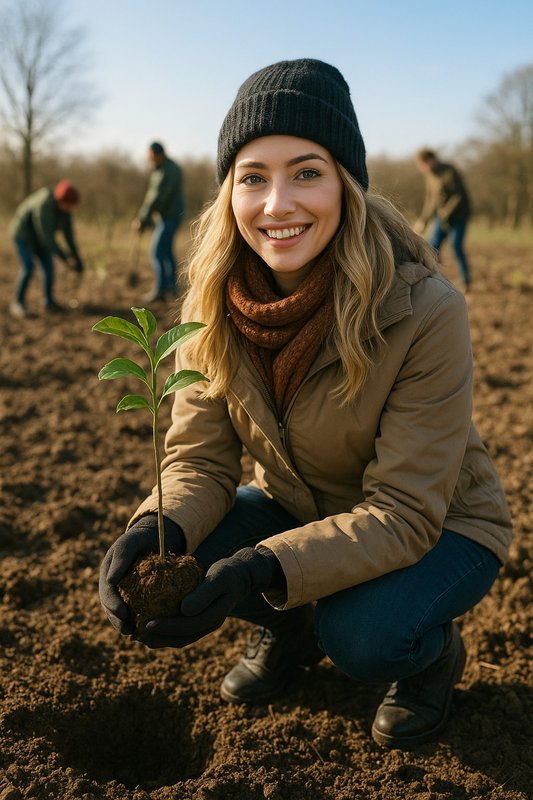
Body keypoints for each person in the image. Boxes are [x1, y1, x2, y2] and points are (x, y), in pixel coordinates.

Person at [99, 59, 512, 749]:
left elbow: (404, 510)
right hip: (303, 509)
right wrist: (153, 532)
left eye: (307, 172)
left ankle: (432, 658)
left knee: (361, 636)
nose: (277, 204)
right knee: (195, 545)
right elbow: (199, 462)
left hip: (440, 524)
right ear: (229, 192)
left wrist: (263, 567)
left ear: (345, 184)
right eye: (253, 177)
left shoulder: (423, 310)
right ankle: (287, 629)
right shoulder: (211, 308)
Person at [9, 180, 84, 318]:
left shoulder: (66, 212)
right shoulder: (44, 204)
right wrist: (65, 258)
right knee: (29, 267)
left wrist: (78, 259)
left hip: (40, 240)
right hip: (23, 236)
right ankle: (18, 303)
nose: (71, 209)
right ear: (61, 201)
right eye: (69, 205)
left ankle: (49, 303)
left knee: (49, 268)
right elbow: (47, 238)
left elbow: (69, 238)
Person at [132, 141, 185, 303]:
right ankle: (172, 288)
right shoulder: (161, 169)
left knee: (157, 251)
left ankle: (162, 288)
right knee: (167, 251)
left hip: (171, 216)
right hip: (166, 216)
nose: (149, 159)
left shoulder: (169, 170)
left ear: (158, 154)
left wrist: (142, 219)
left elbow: (157, 197)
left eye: (151, 156)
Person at [414, 148, 472, 291]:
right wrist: (423, 220)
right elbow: (430, 201)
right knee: (432, 248)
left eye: (423, 164)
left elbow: (457, 196)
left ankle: (466, 281)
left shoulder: (449, 171)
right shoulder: (430, 176)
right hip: (441, 217)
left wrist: (445, 213)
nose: (422, 168)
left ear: (431, 160)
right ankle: (438, 281)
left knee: (456, 245)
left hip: (458, 216)